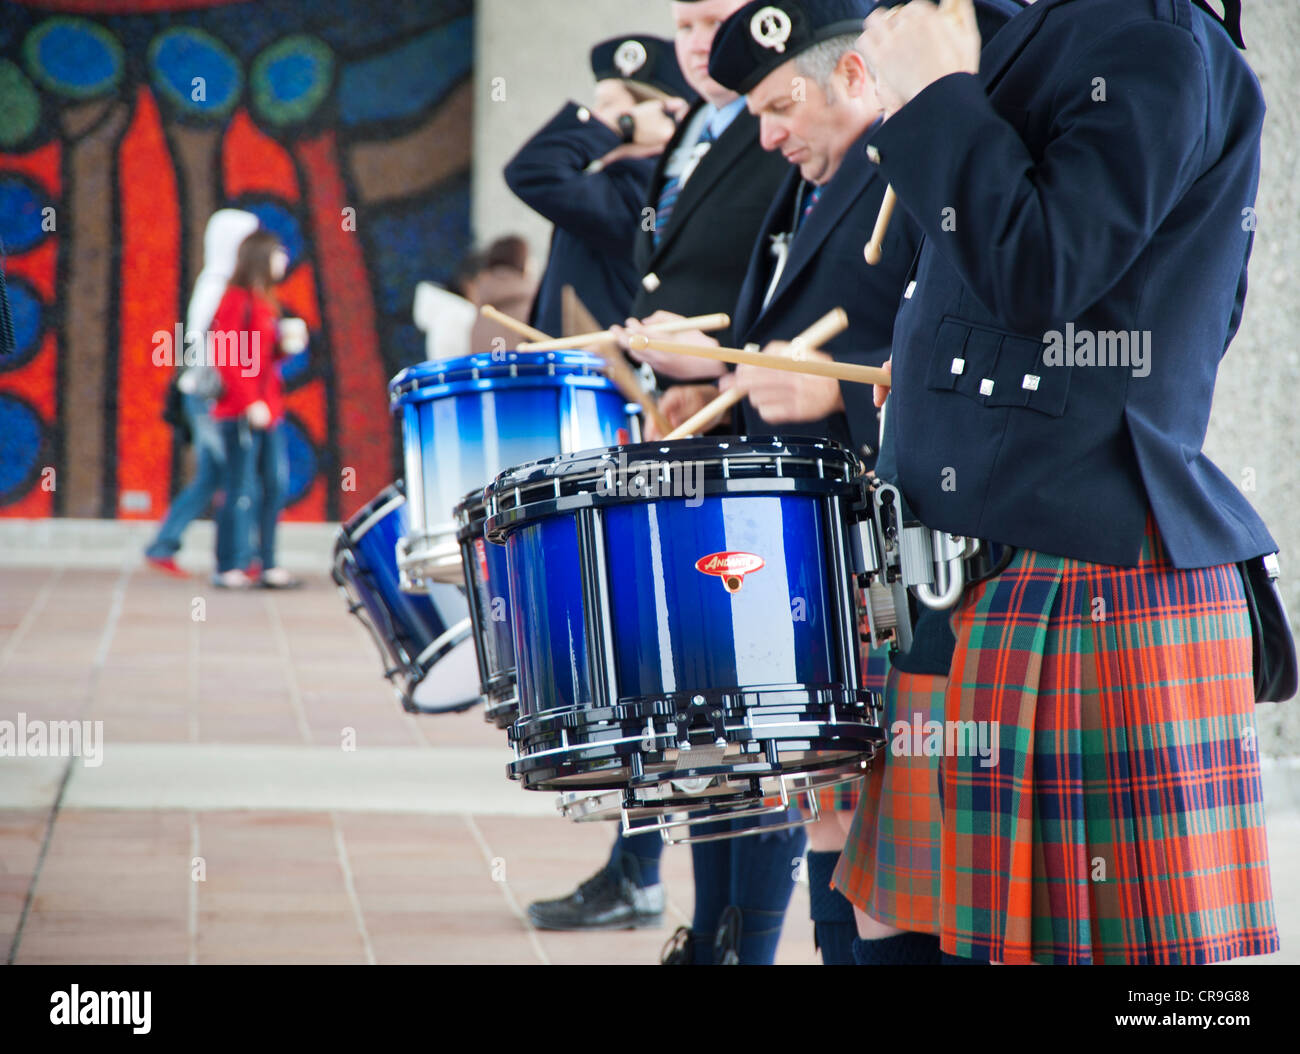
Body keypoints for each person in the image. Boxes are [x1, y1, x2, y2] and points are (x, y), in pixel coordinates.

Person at [854, 0, 1279, 964]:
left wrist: (937, 95)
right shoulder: (1064, 27)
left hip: (1071, 579)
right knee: (896, 935)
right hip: (971, 569)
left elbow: (1046, 267)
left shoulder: (1153, 38)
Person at [648, 0, 1017, 966]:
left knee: (890, 857)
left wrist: (839, 397)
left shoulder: (921, 158)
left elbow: (954, 344)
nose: (765, 134)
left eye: (779, 105)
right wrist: (721, 367)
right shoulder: (821, 183)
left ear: (852, 73)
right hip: (828, 548)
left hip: (906, 547)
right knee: (828, 812)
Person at [529, 0, 795, 964]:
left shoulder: (777, 131)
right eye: (685, 23)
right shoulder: (694, 130)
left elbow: (788, 287)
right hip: (695, 432)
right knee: (708, 714)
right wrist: (665, 385)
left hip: (761, 444)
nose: (698, 43)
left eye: (717, 21)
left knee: (762, 721)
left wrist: (721, 376)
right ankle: (710, 928)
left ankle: (746, 943)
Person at [505, 35, 693, 335]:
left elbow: (532, 170)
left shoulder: (643, 186)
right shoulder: (620, 180)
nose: (595, 117)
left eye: (608, 106)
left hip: (605, 375)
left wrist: (622, 126)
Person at [145, 209, 260, 577]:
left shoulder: (221, 284)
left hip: (206, 393)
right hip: (212, 396)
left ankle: (164, 543)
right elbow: (211, 348)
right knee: (237, 473)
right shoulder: (218, 287)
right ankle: (241, 558)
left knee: (211, 477)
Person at [209, 230, 303, 590]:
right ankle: (230, 563)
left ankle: (267, 563)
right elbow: (228, 355)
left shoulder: (265, 301)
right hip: (241, 411)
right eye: (278, 253)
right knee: (240, 487)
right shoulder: (236, 299)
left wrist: (284, 348)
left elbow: (260, 357)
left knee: (274, 485)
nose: (284, 260)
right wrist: (250, 402)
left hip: (269, 410)